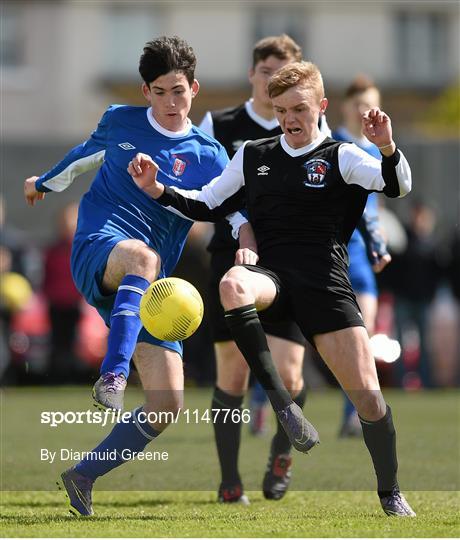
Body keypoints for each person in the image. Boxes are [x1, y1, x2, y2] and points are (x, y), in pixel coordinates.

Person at [128, 61, 416, 517]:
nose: (289, 119)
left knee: (369, 399)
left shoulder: (343, 156)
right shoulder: (253, 155)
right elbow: (208, 202)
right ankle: (284, 407)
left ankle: (390, 492)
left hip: (326, 286)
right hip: (273, 280)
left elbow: (397, 186)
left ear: (320, 107)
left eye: (299, 108)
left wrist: (386, 147)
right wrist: (158, 189)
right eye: (281, 110)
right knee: (232, 283)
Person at [22, 35, 250, 516]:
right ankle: (113, 375)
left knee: (168, 404)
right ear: (146, 91)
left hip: (147, 291)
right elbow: (84, 155)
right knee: (142, 258)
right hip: (100, 249)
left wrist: (247, 238)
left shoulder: (209, 155)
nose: (172, 101)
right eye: (161, 91)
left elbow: (230, 208)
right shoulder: (119, 120)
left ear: (195, 88)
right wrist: (42, 183)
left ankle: (83, 475)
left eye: (180, 91)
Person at [199, 34, 322, 504]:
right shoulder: (223, 123)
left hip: (286, 262)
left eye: (286, 73)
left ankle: (280, 456)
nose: (276, 81)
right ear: (253, 73)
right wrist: (241, 226)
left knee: (292, 374)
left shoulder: (308, 127)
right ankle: (230, 481)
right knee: (232, 373)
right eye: (268, 71)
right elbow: (211, 189)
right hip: (230, 260)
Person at [332, 76, 391, 437]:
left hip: (362, 257)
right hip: (329, 253)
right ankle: (264, 403)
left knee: (362, 336)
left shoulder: (376, 151)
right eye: (357, 103)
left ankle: (352, 415)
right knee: (300, 340)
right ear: (345, 107)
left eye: (369, 103)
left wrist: (378, 240)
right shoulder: (330, 142)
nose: (362, 110)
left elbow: (375, 206)